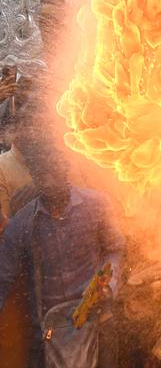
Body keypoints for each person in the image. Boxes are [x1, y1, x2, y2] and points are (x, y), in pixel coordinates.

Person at [0, 101, 125, 367]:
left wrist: (109, 286)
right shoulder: (23, 225)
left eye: (55, 171)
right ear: (34, 175)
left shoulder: (96, 205)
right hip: (49, 332)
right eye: (42, 174)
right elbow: (4, 278)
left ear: (65, 168)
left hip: (96, 320)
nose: (49, 180)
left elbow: (115, 249)